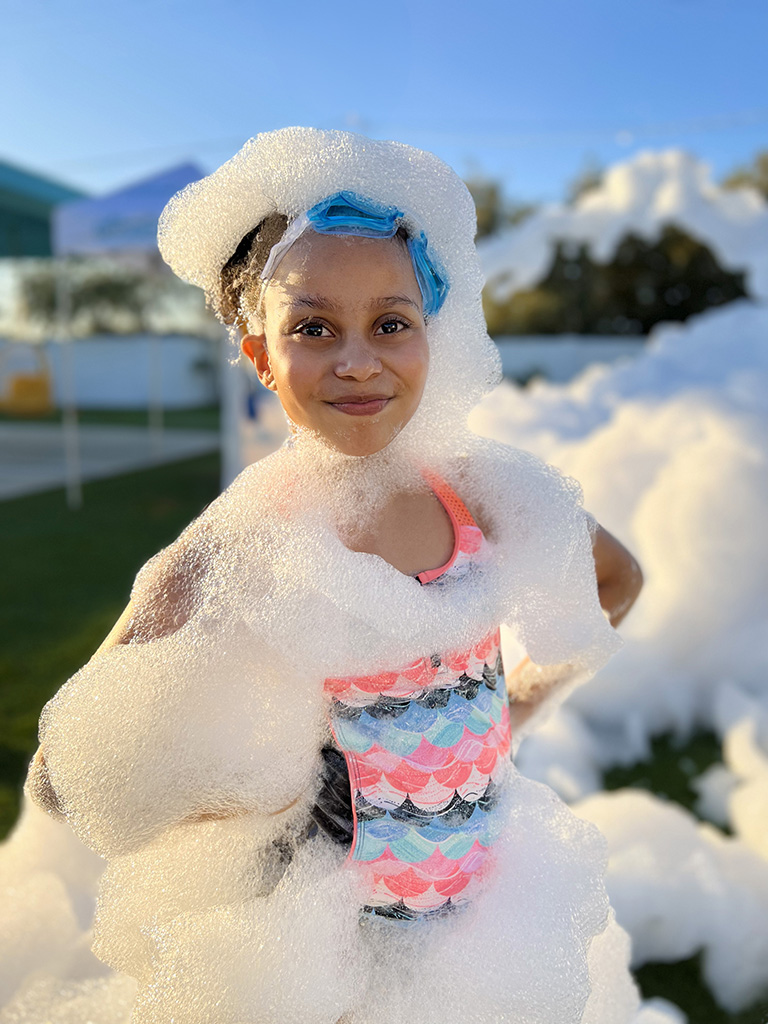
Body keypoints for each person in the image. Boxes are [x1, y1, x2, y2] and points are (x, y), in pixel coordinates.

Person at [26, 128, 643, 1024]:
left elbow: (612, 583)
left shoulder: (482, 491)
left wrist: (509, 711)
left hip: (486, 938)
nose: (358, 358)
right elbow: (66, 775)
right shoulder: (232, 545)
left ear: (431, 334)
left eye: (391, 323)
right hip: (325, 959)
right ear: (260, 354)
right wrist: (266, 788)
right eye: (313, 327)